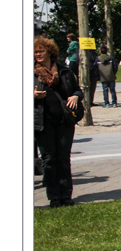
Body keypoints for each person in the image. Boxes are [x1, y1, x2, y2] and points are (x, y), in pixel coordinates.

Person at [34, 36, 83, 207]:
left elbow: (78, 90)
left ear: (50, 51)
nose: (38, 54)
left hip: (64, 121)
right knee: (49, 159)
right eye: (35, 52)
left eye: (41, 51)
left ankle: (66, 195)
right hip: (42, 122)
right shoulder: (30, 73)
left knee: (63, 158)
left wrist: (76, 97)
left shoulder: (64, 72)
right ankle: (54, 196)